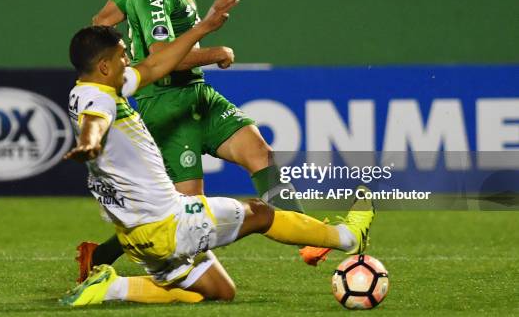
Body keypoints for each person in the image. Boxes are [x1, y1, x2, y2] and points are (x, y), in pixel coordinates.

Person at [79, 0, 329, 279]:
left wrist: (123, 55)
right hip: (165, 103)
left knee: (259, 151)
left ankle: (309, 236)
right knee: (186, 209)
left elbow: (101, 19)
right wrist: (212, 52)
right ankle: (101, 254)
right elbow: (163, 53)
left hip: (196, 93)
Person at [59, 20, 375, 306]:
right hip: (169, 225)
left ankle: (112, 288)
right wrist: (89, 143)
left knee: (221, 291)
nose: (127, 62)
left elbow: (155, 65)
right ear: (103, 66)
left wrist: (203, 28)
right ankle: (347, 238)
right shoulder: (98, 101)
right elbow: (94, 122)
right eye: (122, 57)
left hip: (137, 234)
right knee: (261, 213)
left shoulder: (89, 89)